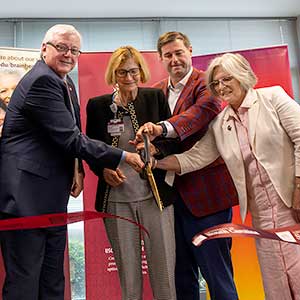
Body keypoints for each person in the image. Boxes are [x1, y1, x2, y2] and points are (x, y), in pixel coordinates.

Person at [0, 24, 143, 300]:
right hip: (25, 200)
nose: (68, 54)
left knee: (52, 279)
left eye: (74, 50)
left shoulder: (65, 82)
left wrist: (77, 168)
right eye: (61, 47)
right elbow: (70, 139)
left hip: (50, 198)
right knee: (25, 282)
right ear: (44, 49)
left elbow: (71, 134)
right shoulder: (42, 81)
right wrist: (124, 155)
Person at [154, 52, 300, 300]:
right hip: (262, 216)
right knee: (275, 285)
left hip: (293, 204)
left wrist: (299, 187)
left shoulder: (272, 97)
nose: (221, 87)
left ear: (243, 75)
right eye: (216, 83)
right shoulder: (221, 123)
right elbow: (195, 157)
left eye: (226, 79)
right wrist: (153, 163)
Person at [134, 32, 239, 300]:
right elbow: (150, 138)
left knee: (218, 275)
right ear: (160, 59)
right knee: (180, 276)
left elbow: (200, 113)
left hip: (207, 197)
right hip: (168, 200)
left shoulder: (209, 82)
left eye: (179, 52)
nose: (174, 59)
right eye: (168, 55)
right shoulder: (156, 91)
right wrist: (148, 147)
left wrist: (160, 129)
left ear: (190, 51)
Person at [86, 45, 177, 300]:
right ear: (113, 74)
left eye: (134, 72)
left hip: (155, 197)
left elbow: (172, 140)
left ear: (141, 71)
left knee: (164, 271)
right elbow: (91, 149)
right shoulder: (97, 106)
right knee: (128, 272)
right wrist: (102, 169)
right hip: (117, 200)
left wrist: (154, 151)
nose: (128, 78)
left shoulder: (155, 98)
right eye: (122, 72)